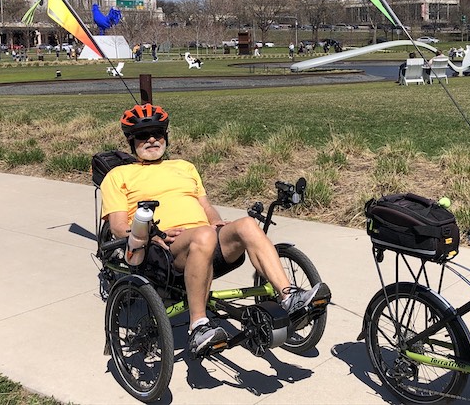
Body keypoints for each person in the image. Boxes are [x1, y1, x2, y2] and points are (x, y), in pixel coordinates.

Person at [100, 104, 326, 357]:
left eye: (157, 133)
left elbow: (206, 207)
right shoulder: (119, 175)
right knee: (204, 235)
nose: (152, 140)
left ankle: (289, 298)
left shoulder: (185, 167)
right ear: (131, 141)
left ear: (166, 136)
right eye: (143, 136)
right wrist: (152, 234)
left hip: (206, 242)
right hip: (164, 251)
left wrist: (218, 223)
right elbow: (120, 228)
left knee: (247, 225)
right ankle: (198, 326)